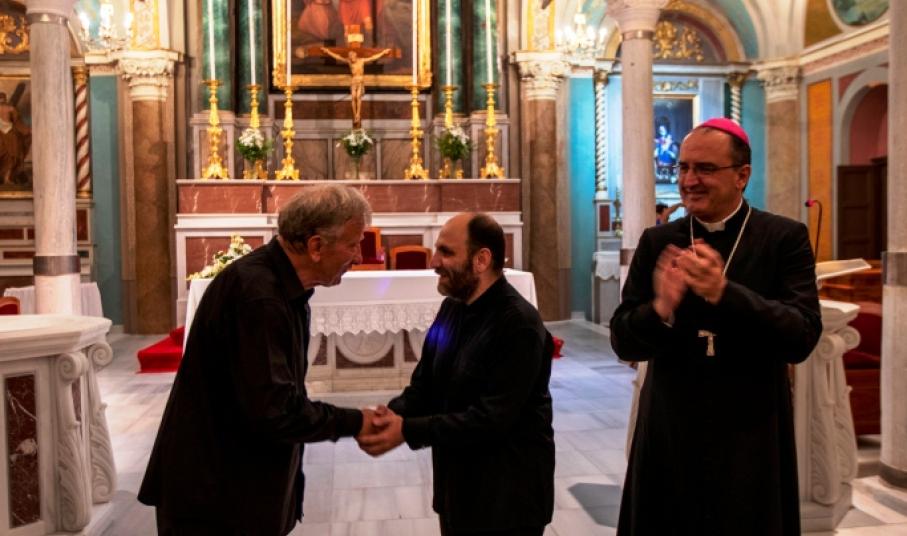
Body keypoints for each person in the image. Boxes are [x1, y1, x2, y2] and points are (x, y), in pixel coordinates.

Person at [610, 117, 822, 535]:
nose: (689, 180)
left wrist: (725, 293)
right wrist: (662, 307)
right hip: (671, 425)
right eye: (683, 167)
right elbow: (623, 341)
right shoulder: (658, 241)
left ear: (742, 175)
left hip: (751, 430)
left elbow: (801, 336)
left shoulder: (784, 238)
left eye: (705, 169)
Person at [138, 185, 380, 536]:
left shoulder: (279, 285)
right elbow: (275, 412)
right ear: (315, 246)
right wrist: (357, 421)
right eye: (353, 244)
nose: (358, 256)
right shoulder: (259, 296)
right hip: (217, 496)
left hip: (237, 485)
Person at [358, 212, 556, 536]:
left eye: (446, 252)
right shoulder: (452, 307)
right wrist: (388, 416)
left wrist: (406, 430)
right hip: (457, 490)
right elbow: (425, 384)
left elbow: (491, 419)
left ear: (481, 260)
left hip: (506, 500)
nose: (434, 261)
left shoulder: (518, 324)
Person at [320, 45, 392, 128]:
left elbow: (373, 58)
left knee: (358, 97)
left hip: (360, 81)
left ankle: (358, 114)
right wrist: (328, 51)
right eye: (350, 57)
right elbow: (338, 57)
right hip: (353, 81)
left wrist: (383, 53)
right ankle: (355, 115)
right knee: (353, 97)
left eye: (352, 56)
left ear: (355, 56)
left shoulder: (361, 61)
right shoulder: (349, 62)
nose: (351, 58)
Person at [0, 92, 29, 185]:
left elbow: (18, 123)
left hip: (8, 137)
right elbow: (18, 124)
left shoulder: (11, 109)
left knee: (10, 158)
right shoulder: (10, 108)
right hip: (10, 137)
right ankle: (6, 178)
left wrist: (26, 130)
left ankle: (6, 178)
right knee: (11, 157)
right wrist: (27, 131)